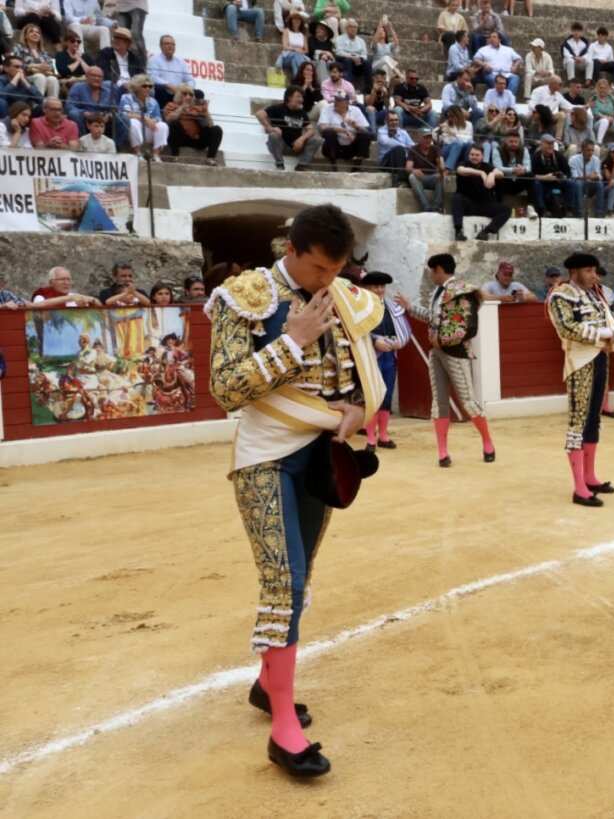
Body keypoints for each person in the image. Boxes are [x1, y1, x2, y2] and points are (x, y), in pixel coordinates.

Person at [206, 204, 385, 778]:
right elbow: (226, 389)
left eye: (336, 271)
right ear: (292, 251)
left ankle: (267, 687)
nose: (326, 282)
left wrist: (357, 411)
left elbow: (352, 377)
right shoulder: (246, 295)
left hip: (318, 453)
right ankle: (283, 728)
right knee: (284, 584)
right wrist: (293, 339)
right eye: (316, 270)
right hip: (265, 457)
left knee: (301, 572)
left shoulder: (345, 297)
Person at [395, 253, 495, 466]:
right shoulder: (436, 294)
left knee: (468, 401)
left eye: (432, 271)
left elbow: (469, 327)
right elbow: (432, 319)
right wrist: (409, 306)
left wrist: (442, 339)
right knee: (439, 403)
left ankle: (487, 443)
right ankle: (443, 452)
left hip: (456, 352)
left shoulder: (462, 291)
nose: (431, 275)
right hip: (436, 352)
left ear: (439, 269)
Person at [546, 252, 614, 507]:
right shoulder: (561, 295)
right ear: (575, 272)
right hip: (579, 364)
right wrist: (602, 335)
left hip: (600, 360)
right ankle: (579, 487)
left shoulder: (596, 295)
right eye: (590, 271)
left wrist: (613, 338)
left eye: (595, 270)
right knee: (578, 421)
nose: (595, 275)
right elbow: (567, 327)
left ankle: (589, 477)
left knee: (593, 420)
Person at [359, 271, 410, 452]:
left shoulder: (390, 307)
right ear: (367, 288)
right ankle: (371, 438)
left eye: (382, 287)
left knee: (387, 394)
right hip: (371, 356)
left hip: (389, 354)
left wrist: (398, 341)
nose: (380, 290)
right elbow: (357, 330)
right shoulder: (361, 308)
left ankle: (383, 436)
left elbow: (403, 330)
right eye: (375, 287)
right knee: (373, 395)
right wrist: (374, 341)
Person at [452, 144, 510, 241]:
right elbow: (460, 170)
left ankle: (486, 232)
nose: (474, 157)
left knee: (506, 209)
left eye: (477, 155)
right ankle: (458, 232)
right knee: (457, 199)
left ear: (482, 156)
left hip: (485, 204)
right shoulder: (463, 163)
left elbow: (500, 174)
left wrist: (492, 174)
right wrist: (480, 173)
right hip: (468, 204)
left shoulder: (487, 166)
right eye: (472, 154)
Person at [258, 86, 322, 171]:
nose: (301, 99)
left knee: (317, 139)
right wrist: (270, 128)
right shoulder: (278, 108)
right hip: (281, 146)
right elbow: (259, 114)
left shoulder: (302, 112)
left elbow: (311, 129)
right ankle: (279, 164)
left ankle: (302, 165)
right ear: (290, 97)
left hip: (296, 147)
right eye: (298, 96)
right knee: (273, 135)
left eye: (302, 97)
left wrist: (301, 139)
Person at [164, 86, 223, 165]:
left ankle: (210, 158)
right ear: (178, 95)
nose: (188, 96)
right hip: (181, 138)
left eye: (191, 94)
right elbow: (168, 119)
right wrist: (181, 108)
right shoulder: (171, 105)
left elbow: (210, 125)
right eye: (185, 94)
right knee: (174, 124)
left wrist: (206, 112)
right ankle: (175, 156)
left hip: (197, 138)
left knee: (217, 129)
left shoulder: (198, 108)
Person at [120, 73, 169, 158]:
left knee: (163, 126)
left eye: (150, 86)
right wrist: (145, 118)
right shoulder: (126, 97)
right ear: (137, 86)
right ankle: (138, 153)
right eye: (145, 86)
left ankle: (156, 155)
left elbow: (158, 117)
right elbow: (125, 114)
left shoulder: (153, 101)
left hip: (148, 129)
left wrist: (153, 121)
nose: (148, 88)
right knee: (133, 122)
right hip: (133, 130)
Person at [318, 93, 371, 170]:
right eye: (335, 99)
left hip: (351, 147)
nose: (335, 102)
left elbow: (366, 130)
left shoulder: (356, 110)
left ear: (346, 103)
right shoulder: (327, 108)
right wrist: (343, 130)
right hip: (334, 147)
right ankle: (333, 166)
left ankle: (356, 166)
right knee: (329, 132)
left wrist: (356, 125)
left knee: (366, 135)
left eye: (339, 100)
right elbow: (322, 128)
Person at [30, 267, 101, 308]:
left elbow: (100, 307)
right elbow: (36, 307)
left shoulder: (75, 296)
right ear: (51, 282)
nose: (66, 283)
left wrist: (91, 300)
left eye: (69, 279)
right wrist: (69, 298)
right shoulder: (42, 295)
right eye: (62, 279)